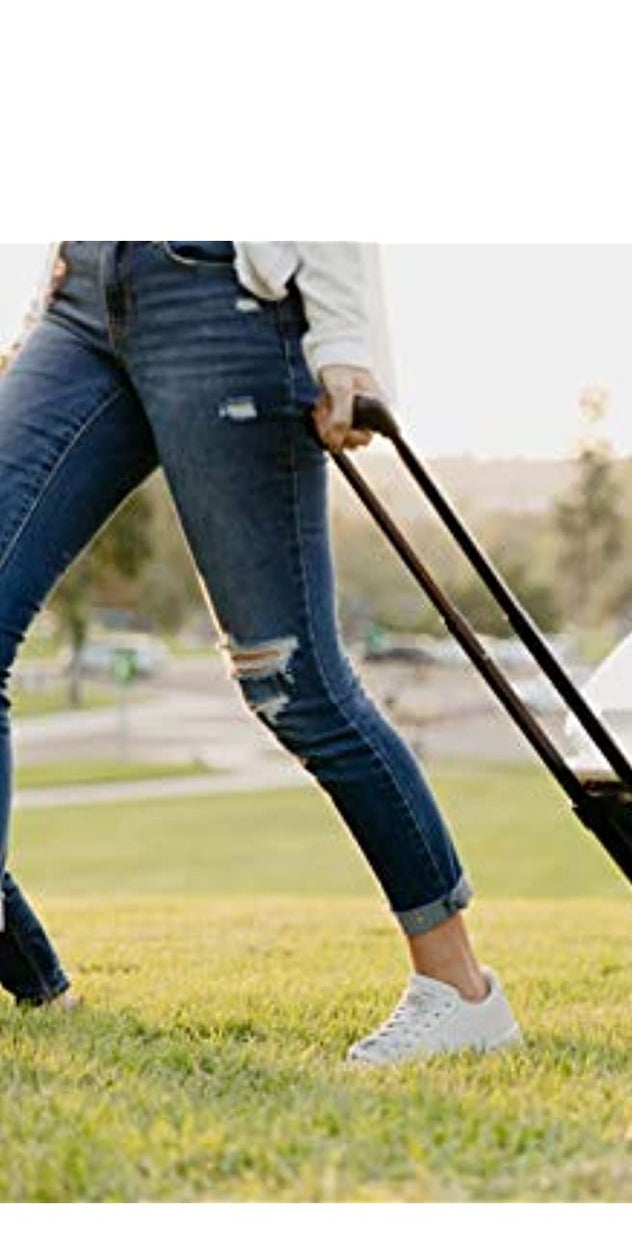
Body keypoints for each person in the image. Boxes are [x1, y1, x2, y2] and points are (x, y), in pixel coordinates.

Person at [0, 241, 522, 1066]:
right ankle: (37, 987)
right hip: (84, 297)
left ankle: (460, 991)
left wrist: (345, 340)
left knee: (293, 680)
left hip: (218, 296)